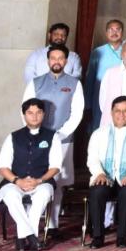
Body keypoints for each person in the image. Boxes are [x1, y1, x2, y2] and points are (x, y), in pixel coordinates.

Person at [21, 44, 82, 233]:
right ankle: (30, 224)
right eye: (53, 58)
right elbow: (25, 109)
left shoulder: (74, 84)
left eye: (60, 58)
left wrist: (61, 134)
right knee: (34, 178)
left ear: (66, 61)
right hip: (36, 139)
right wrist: (33, 132)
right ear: (48, 61)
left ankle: (52, 224)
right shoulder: (35, 82)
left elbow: (77, 112)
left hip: (62, 140)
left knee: (57, 183)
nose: (56, 61)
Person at [85, 96, 126, 248]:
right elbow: (92, 158)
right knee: (97, 192)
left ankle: (122, 237)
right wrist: (99, 173)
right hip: (105, 177)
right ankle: (98, 237)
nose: (121, 115)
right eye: (117, 111)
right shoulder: (99, 133)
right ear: (111, 112)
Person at [0, 99, 62, 251]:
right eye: (30, 113)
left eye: (38, 112)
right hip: (15, 182)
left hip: (42, 181)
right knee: (11, 196)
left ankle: (21, 238)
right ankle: (32, 238)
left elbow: (55, 167)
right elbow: (2, 167)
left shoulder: (53, 136)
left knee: (43, 195)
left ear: (44, 114)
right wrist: (17, 181)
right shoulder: (13, 137)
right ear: (24, 115)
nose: (34, 116)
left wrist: (39, 180)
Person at [85, 19, 126, 132]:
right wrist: (87, 106)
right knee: (99, 131)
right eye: (110, 30)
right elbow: (90, 80)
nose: (114, 32)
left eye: (118, 29)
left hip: (122, 97)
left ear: (122, 32)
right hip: (99, 99)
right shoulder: (98, 52)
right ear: (106, 33)